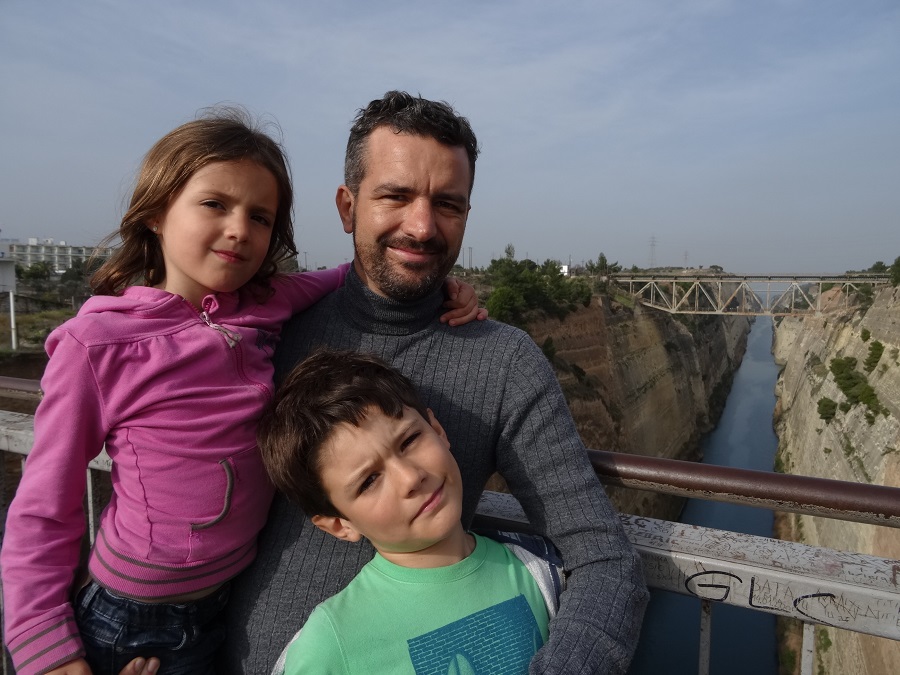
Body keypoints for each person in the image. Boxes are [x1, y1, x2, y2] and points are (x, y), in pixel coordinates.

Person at [0, 108, 482, 675]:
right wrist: (46, 653)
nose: (239, 229)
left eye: (260, 217)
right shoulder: (100, 345)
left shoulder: (265, 305)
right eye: (214, 204)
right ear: (156, 211)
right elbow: (43, 508)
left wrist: (443, 285)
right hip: (130, 622)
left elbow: (357, 278)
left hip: (224, 606)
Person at [223, 91, 649, 674]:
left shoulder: (503, 363)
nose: (422, 227)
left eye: (447, 204)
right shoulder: (262, 332)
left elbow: (604, 559)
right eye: (396, 196)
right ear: (348, 207)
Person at [259, 349, 565, 674]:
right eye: (369, 480)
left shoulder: (541, 570)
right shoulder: (330, 644)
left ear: (438, 430)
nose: (410, 477)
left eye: (409, 440)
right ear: (338, 524)